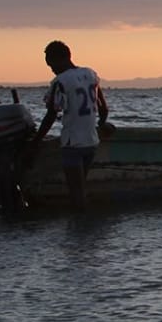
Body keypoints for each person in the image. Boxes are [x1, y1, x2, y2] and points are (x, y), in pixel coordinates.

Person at [33, 40, 108, 209]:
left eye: (51, 64)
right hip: (91, 142)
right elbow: (103, 109)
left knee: (76, 193)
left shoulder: (60, 81)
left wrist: (35, 141)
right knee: (81, 188)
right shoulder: (90, 74)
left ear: (60, 59)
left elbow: (51, 114)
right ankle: (84, 229)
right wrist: (100, 125)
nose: (51, 69)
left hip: (72, 143)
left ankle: (78, 229)